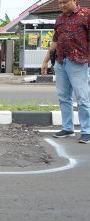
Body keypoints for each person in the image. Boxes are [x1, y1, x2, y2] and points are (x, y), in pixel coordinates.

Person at [41, 0, 90, 143]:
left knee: (82, 98)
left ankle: (87, 131)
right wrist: (45, 61)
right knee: (63, 97)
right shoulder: (59, 18)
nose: (62, 5)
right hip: (60, 61)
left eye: (65, 2)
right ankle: (67, 128)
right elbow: (55, 41)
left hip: (78, 62)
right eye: (59, 3)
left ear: (74, 0)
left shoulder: (86, 15)